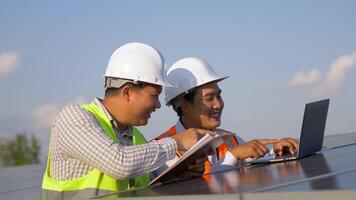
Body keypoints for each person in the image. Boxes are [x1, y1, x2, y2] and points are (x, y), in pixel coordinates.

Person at [41, 43, 214, 199]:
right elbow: (119, 164)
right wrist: (177, 142)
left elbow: (151, 184)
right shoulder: (73, 118)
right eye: (154, 96)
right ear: (127, 93)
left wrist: (180, 176)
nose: (158, 105)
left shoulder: (135, 137)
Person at [155, 57, 299, 174]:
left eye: (219, 96)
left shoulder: (230, 139)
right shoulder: (161, 150)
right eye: (209, 98)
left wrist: (277, 151)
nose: (218, 104)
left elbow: (250, 158)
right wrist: (232, 156)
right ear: (185, 105)